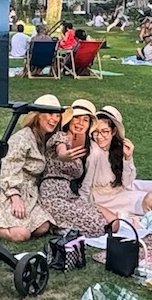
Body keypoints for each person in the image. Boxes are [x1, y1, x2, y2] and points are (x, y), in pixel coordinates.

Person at [0, 94, 63, 241]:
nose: (54, 119)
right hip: (14, 190)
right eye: (50, 114)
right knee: (22, 234)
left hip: (31, 193)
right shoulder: (22, 138)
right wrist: (15, 197)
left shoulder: (44, 138)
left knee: (43, 227)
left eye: (57, 115)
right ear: (37, 116)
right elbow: (10, 167)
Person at [38, 99, 113, 236]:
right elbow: (61, 150)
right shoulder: (60, 136)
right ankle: (60, 227)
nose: (80, 123)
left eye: (85, 120)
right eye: (77, 118)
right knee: (98, 225)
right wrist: (63, 155)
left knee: (113, 223)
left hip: (71, 195)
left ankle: (63, 227)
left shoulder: (87, 146)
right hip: (53, 193)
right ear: (70, 120)